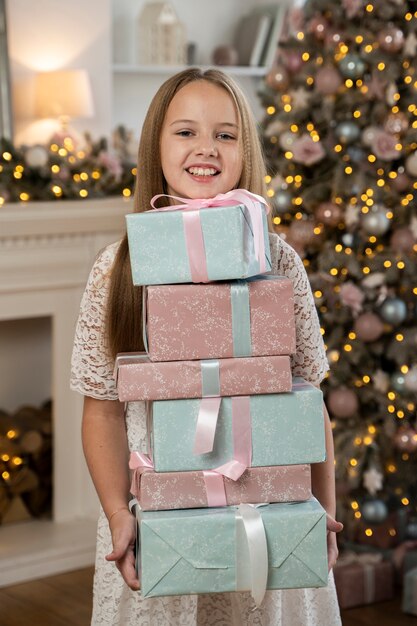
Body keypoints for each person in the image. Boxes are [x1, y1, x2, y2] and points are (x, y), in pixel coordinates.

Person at [71, 67, 343, 626]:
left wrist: (321, 513)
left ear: (246, 151)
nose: (206, 149)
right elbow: (101, 410)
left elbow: (307, 404)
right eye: (185, 131)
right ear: (156, 145)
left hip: (266, 514)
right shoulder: (119, 270)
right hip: (155, 518)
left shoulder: (278, 261)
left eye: (225, 134)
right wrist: (120, 514)